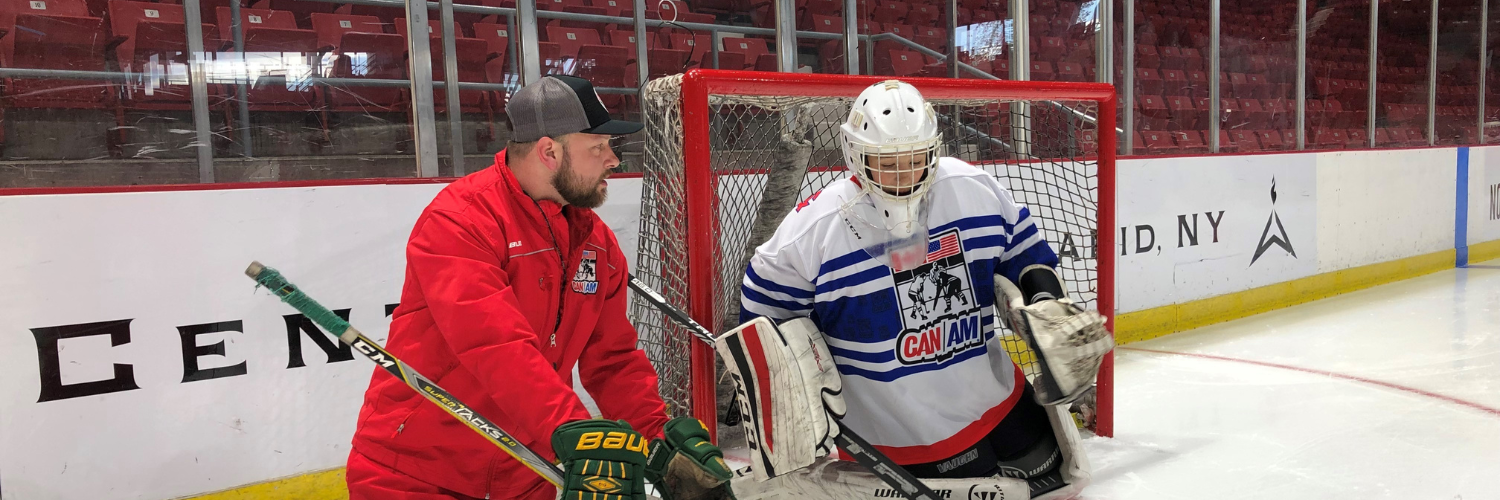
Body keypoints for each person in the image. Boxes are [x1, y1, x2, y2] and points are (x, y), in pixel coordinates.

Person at [346, 75, 733, 500]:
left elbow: (613, 360)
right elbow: (497, 347)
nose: (613, 160)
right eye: (597, 147)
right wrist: (571, 433)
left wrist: (657, 440)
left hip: (528, 474)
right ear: (550, 151)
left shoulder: (595, 242)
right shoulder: (460, 220)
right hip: (417, 476)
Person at [735, 80, 1109, 498]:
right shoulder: (813, 231)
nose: (904, 174)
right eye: (887, 162)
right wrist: (789, 396)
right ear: (856, 156)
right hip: (902, 430)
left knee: (1056, 480)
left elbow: (1024, 254)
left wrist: (1045, 301)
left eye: (915, 159)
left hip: (997, 395)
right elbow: (761, 318)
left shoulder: (973, 189)